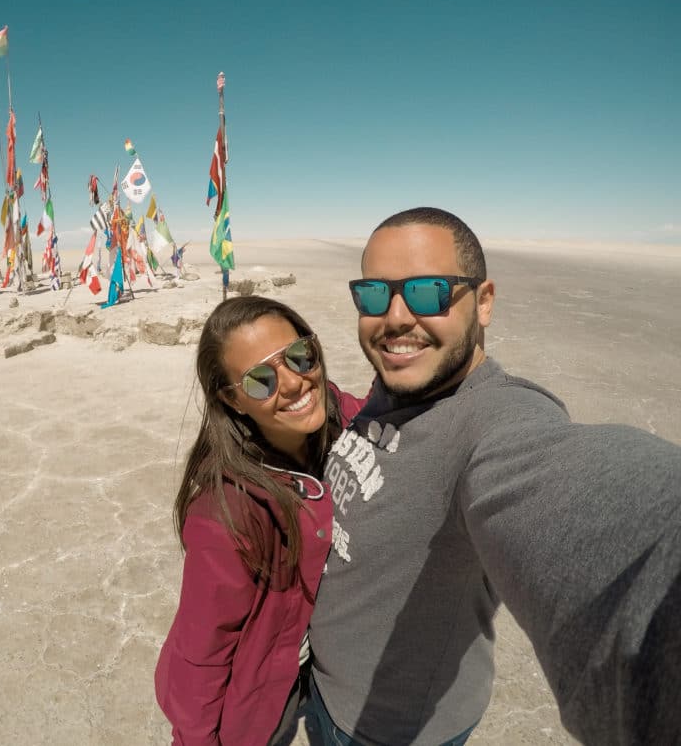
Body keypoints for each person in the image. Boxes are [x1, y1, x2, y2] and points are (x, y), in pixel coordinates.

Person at [307, 207, 681, 746]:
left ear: (483, 302)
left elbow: (597, 516)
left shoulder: (494, 424)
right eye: (372, 294)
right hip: (323, 693)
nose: (393, 318)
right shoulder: (397, 385)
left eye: (427, 292)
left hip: (389, 731)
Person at [155, 295, 364, 745]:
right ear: (232, 400)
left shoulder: (329, 414)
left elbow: (375, 414)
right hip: (263, 691)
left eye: (299, 356)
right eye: (260, 380)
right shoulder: (226, 517)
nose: (292, 382)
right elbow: (202, 654)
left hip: (319, 669)